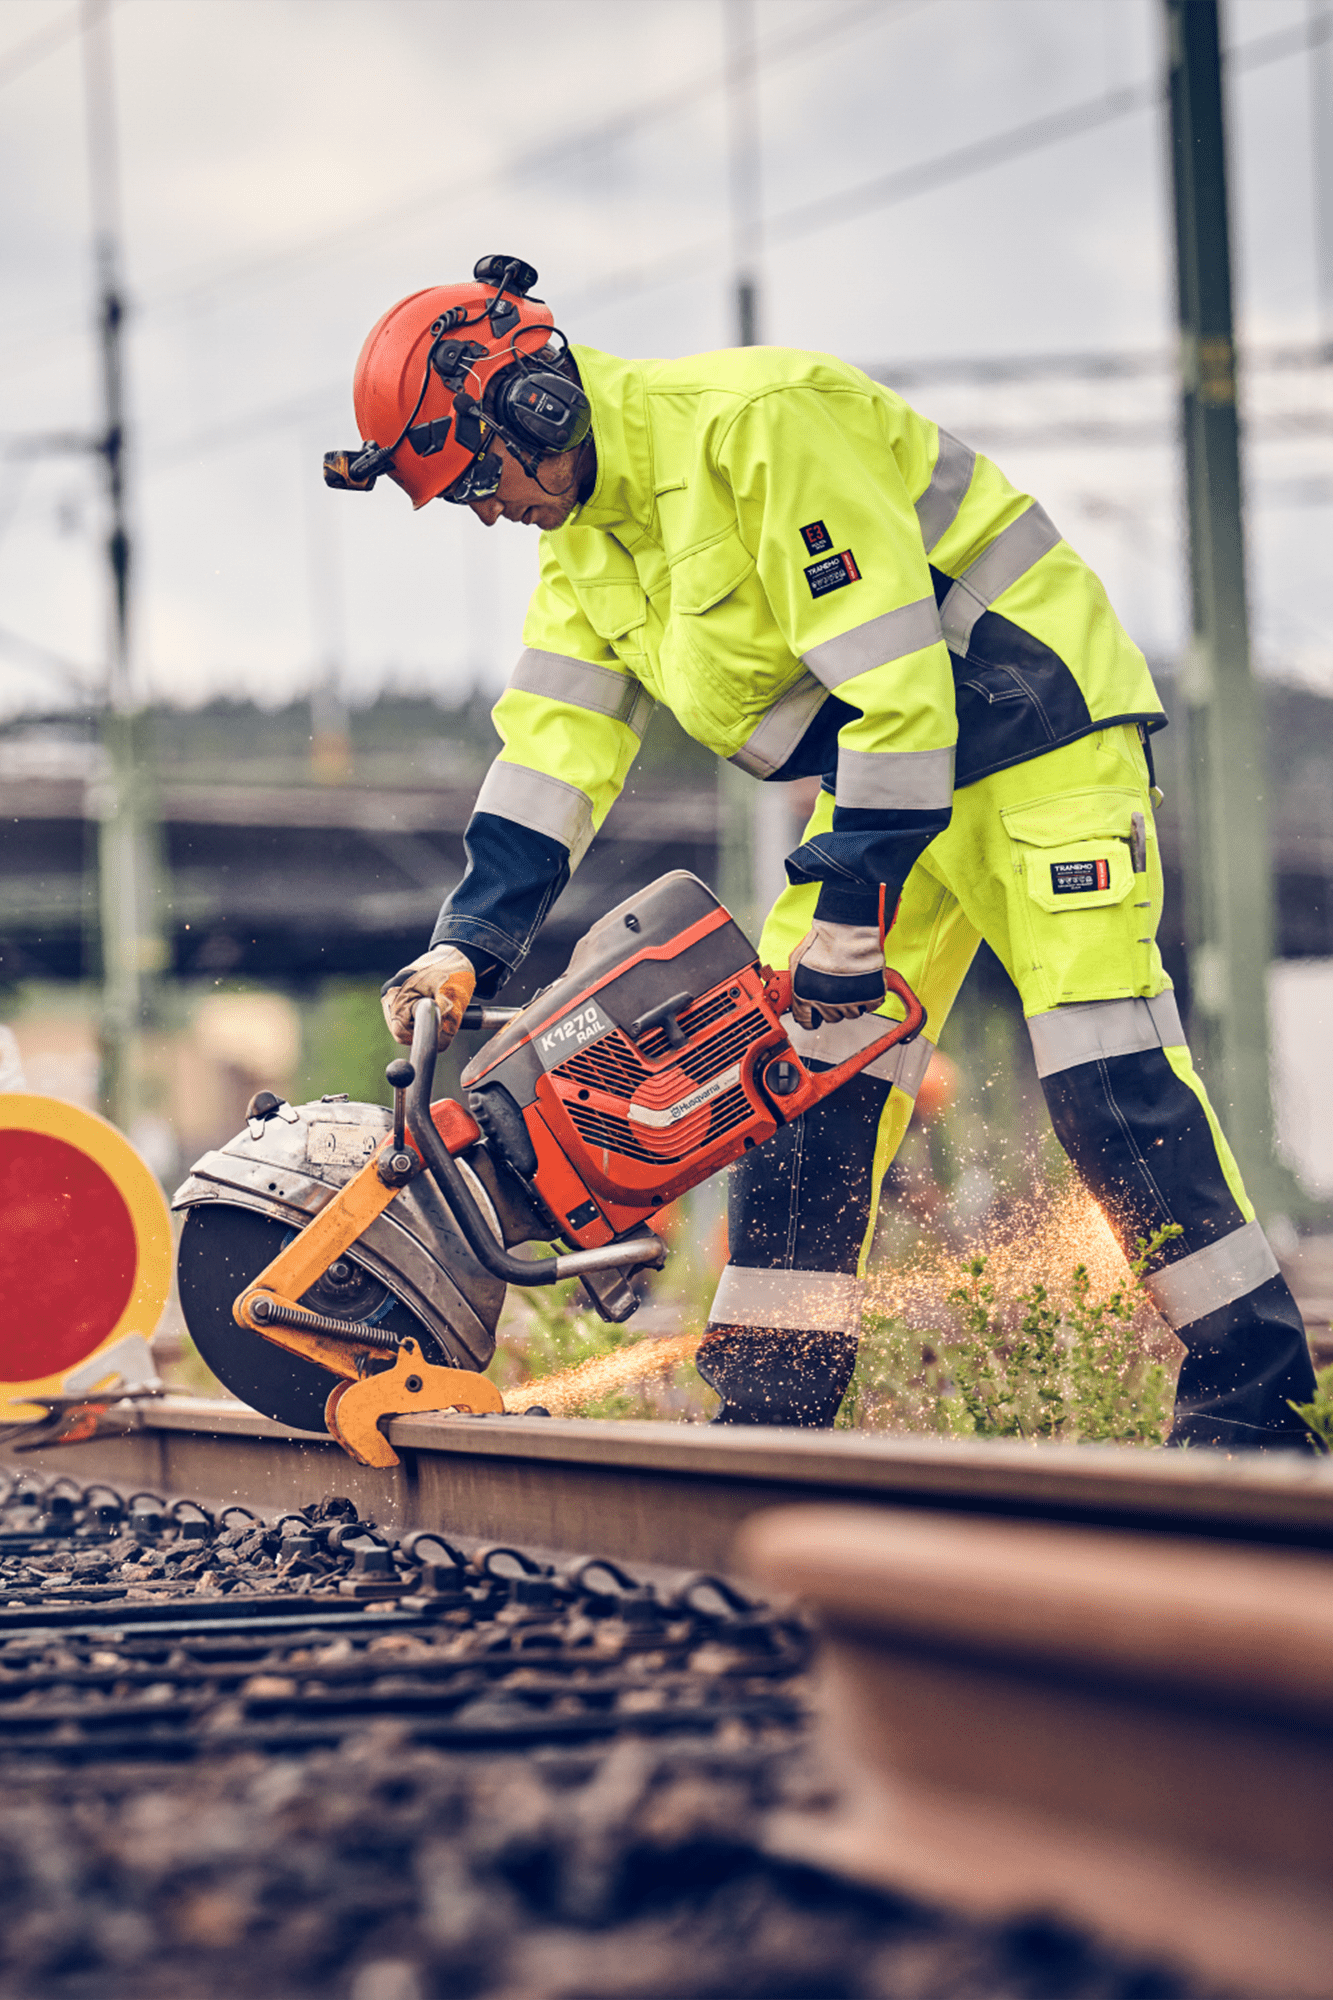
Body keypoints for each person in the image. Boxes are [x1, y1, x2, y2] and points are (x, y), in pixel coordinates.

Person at [326, 254, 1314, 1450]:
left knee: (1104, 1072)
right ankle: (773, 1416)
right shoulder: (585, 550)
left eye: (480, 476)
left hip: (1035, 732)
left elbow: (901, 692)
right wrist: (465, 943)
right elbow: (553, 754)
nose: (489, 509)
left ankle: (1253, 1406)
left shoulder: (759, 425)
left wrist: (845, 934)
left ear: (535, 402)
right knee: (783, 1077)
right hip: (888, 787)